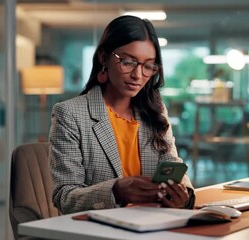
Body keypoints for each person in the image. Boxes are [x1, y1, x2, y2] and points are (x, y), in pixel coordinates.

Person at [49, 15, 195, 214]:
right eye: (128, 62)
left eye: (148, 66)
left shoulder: (155, 110)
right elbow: (65, 197)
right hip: (99, 229)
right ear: (103, 58)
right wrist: (116, 190)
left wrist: (182, 196)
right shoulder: (70, 114)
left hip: (154, 223)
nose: (138, 75)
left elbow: (172, 165)